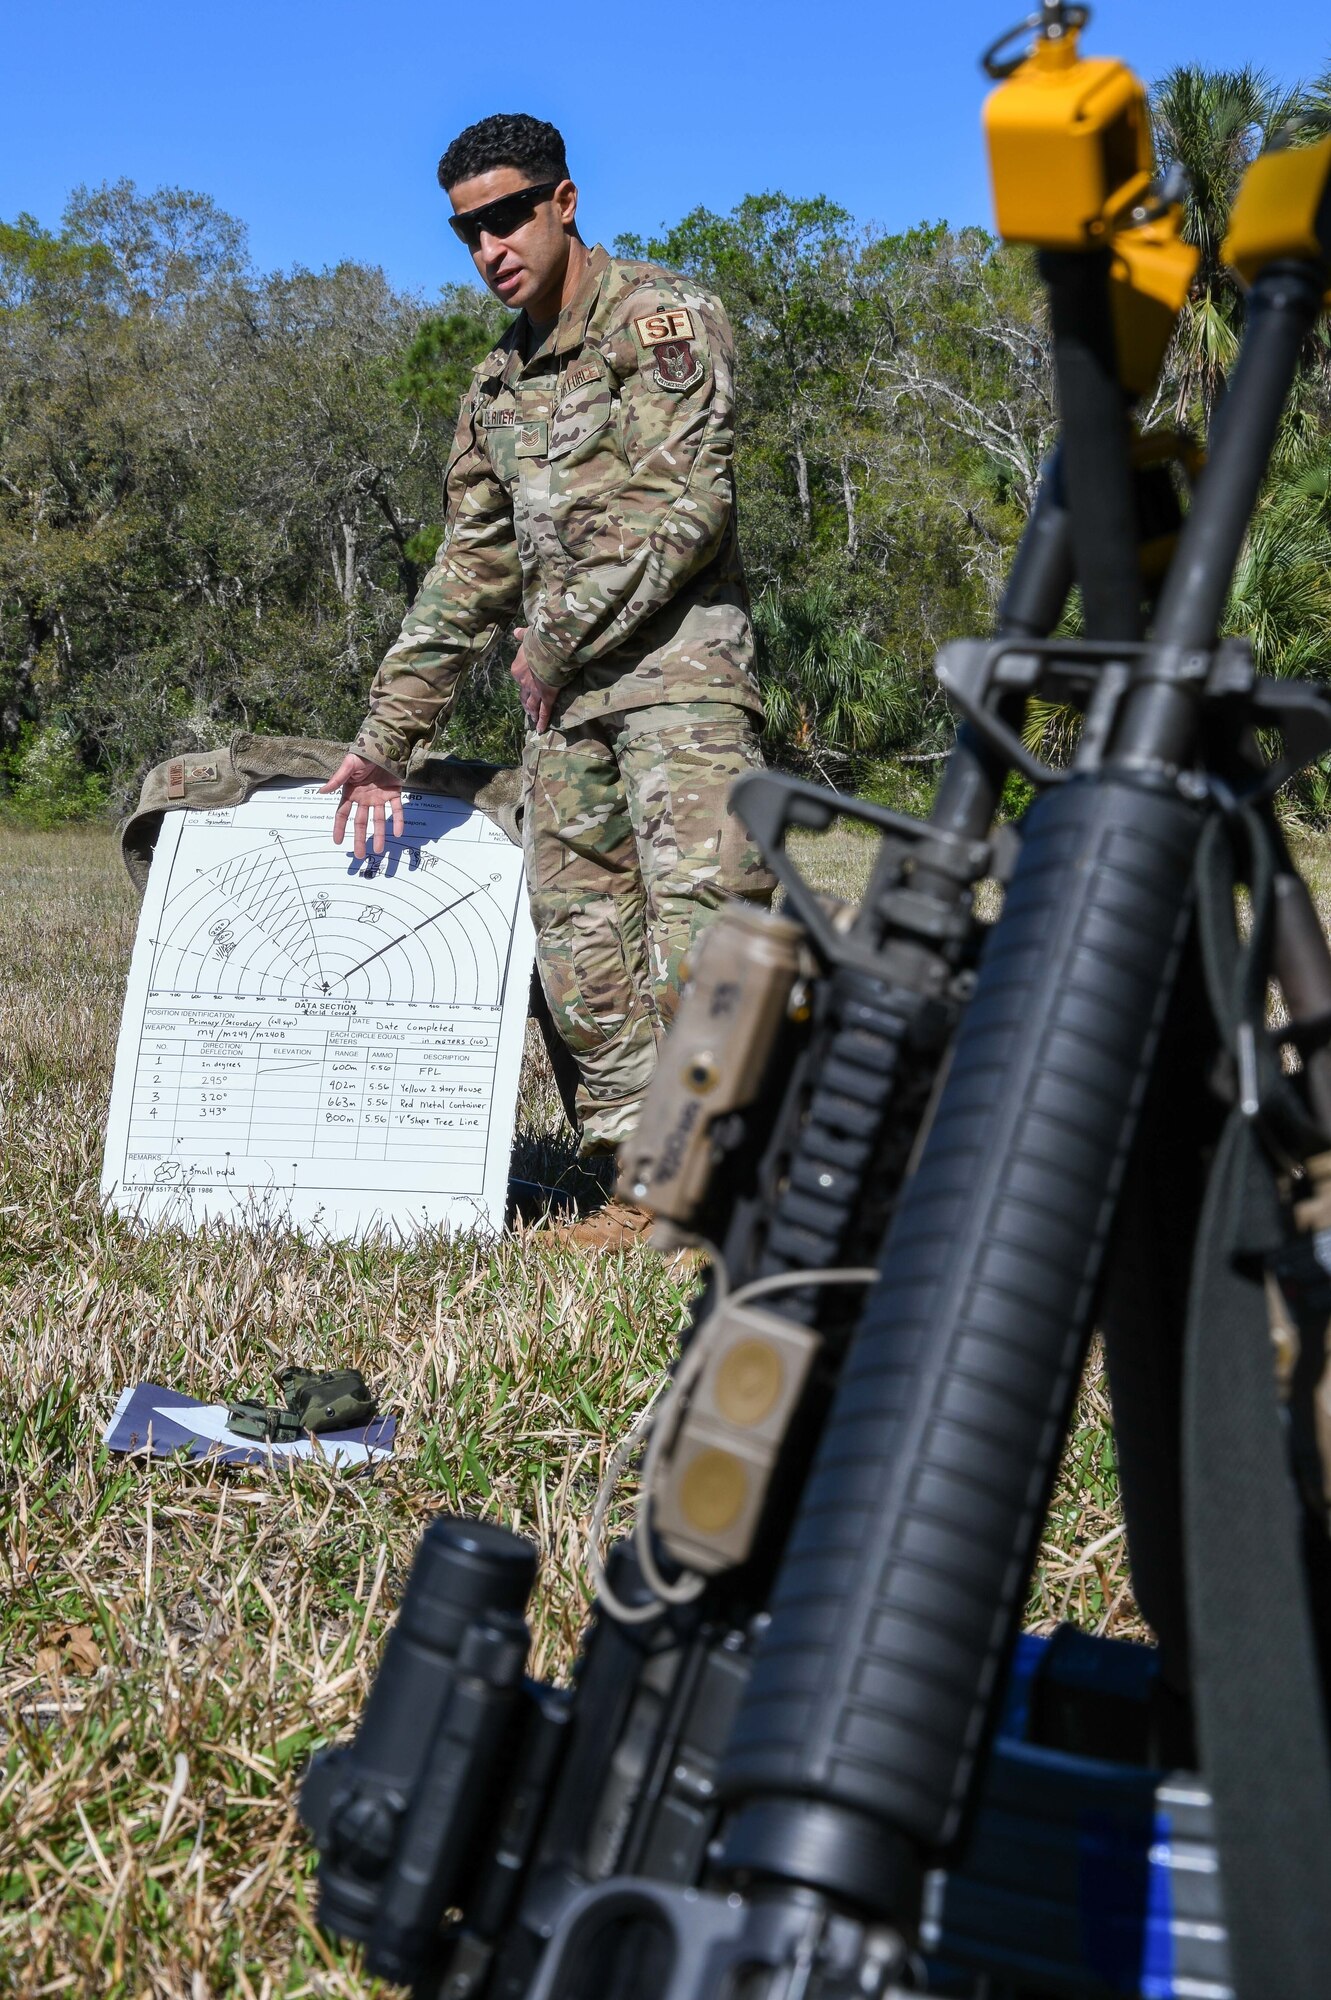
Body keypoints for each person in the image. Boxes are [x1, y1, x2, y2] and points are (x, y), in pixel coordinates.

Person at [322, 113, 774, 1225]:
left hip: (679, 684)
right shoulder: (494, 390)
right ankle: (644, 1193)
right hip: (562, 715)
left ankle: (753, 1189)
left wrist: (555, 638)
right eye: (467, 231)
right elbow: (468, 570)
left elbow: (689, 502)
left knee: (704, 937)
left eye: (507, 217)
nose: (489, 248)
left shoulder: (662, 320)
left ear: (562, 202)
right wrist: (384, 740)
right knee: (583, 954)